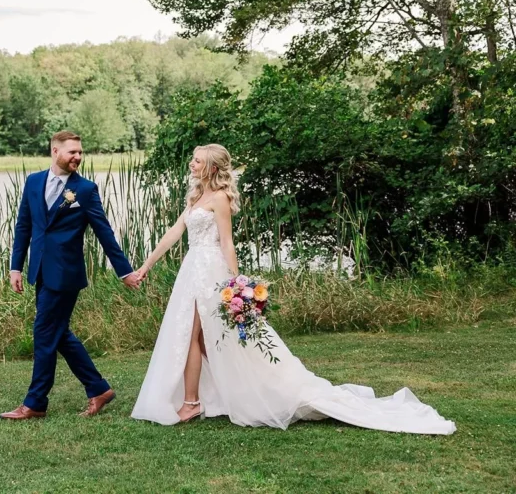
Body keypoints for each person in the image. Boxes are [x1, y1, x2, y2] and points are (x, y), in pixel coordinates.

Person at [130, 144, 455, 434]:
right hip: (191, 272)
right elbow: (174, 232)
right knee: (197, 337)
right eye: (192, 159)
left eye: (197, 161)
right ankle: (204, 396)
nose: (192, 164)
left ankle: (192, 401)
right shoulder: (196, 197)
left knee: (195, 335)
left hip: (212, 274)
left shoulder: (220, 199)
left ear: (212, 168)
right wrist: (146, 265)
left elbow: (227, 244)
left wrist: (237, 283)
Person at [0, 130, 142, 420]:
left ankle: (36, 402)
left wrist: (124, 271)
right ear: (55, 151)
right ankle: (98, 388)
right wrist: (16, 266)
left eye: (80, 152)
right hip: (39, 269)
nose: (77, 156)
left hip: (65, 273)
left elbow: (105, 233)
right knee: (57, 333)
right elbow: (23, 225)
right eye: (72, 152)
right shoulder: (34, 181)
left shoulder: (85, 190)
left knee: (43, 333)